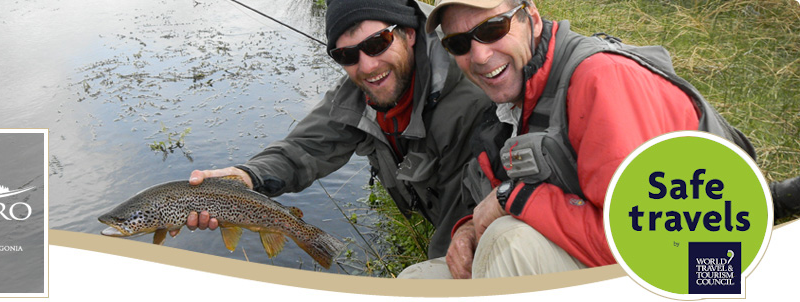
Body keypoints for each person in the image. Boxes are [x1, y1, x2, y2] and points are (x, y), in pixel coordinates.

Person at [402, 0, 771, 279]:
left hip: (705, 267)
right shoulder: (513, 101)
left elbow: (647, 244)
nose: (479, 55)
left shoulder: (600, 80)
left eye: (493, 28)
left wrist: (512, 199)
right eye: (459, 43)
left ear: (530, 17)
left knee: (508, 243)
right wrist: (467, 228)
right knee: (416, 282)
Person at [177, 0, 494, 262]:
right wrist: (249, 177)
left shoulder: (466, 98)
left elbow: (459, 227)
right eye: (347, 55)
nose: (367, 66)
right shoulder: (361, 96)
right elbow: (305, 148)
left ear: (409, 33)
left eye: (377, 43)